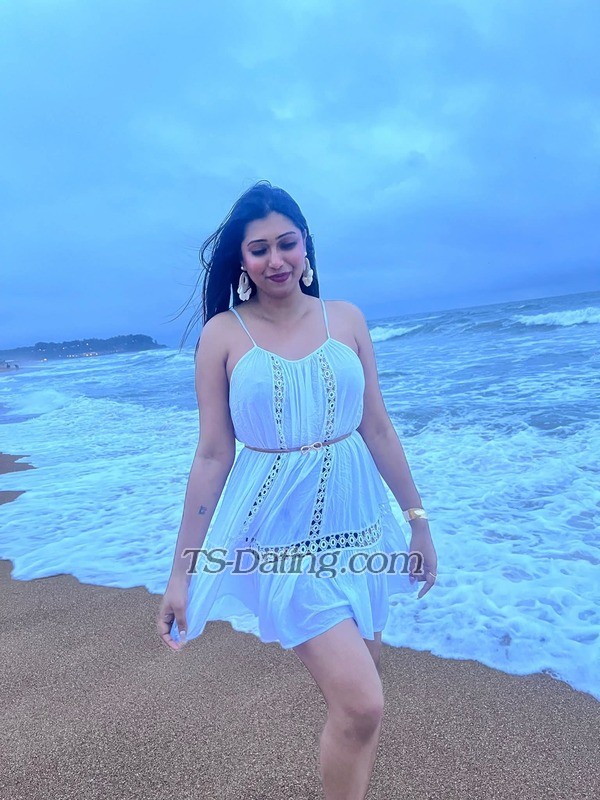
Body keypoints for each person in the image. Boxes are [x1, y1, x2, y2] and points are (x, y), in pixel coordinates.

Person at [157, 180, 438, 799]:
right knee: (362, 705)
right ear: (241, 260)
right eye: (259, 249)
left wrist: (417, 521)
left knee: (364, 691)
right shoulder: (224, 335)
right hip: (281, 538)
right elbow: (212, 454)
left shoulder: (347, 319)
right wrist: (182, 571)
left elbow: (377, 426)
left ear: (306, 245)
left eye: (286, 243)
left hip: (360, 527)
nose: (275, 259)